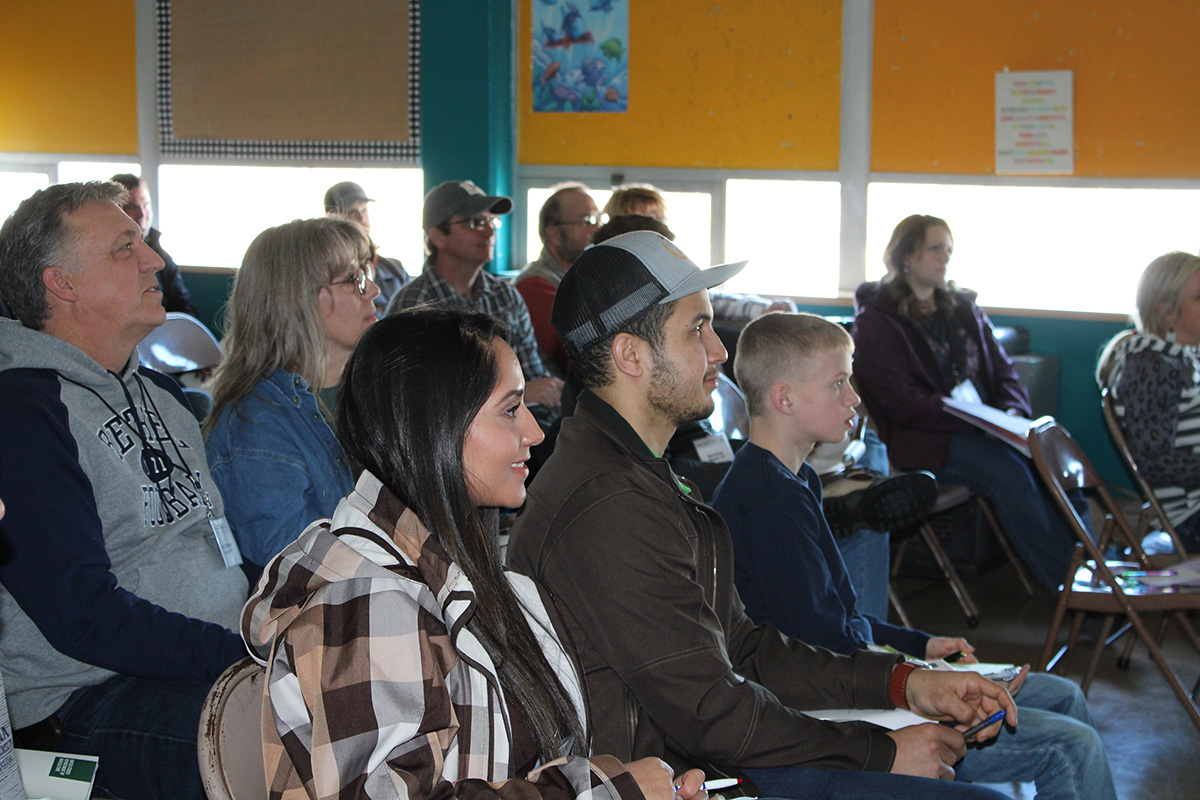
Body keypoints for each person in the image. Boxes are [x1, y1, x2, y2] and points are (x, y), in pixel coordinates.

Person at [508, 231, 1018, 800]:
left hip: (705, 757)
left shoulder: (639, 471)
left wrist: (904, 683)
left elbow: (743, 648)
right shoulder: (609, 503)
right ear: (632, 355)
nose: (719, 351)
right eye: (696, 329)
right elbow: (710, 711)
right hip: (676, 776)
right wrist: (882, 750)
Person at [242, 304, 705, 800]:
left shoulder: (476, 577)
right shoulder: (368, 602)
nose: (535, 431)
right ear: (433, 425)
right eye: (510, 409)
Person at [713, 312, 1117, 800]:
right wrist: (923, 680)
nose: (854, 398)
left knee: (1065, 695)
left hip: (854, 673)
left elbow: (842, 621)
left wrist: (920, 645)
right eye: (838, 383)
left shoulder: (796, 480)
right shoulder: (767, 499)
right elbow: (819, 645)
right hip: (832, 707)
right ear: (784, 398)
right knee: (1072, 746)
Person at [0, 181, 248, 800]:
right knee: (287, 739)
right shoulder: (23, 413)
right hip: (83, 700)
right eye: (124, 248)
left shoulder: (163, 396)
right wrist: (245, 653)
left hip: (200, 663)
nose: (155, 261)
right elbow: (81, 615)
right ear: (63, 283)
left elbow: (216, 544)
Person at [852, 214, 1084, 593]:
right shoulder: (877, 319)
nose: (945, 258)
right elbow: (899, 401)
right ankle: (1068, 588)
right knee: (1010, 473)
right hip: (923, 440)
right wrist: (975, 423)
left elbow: (1004, 372)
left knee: (1057, 452)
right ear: (906, 254)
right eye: (935, 248)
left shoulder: (962, 308)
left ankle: (1092, 570)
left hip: (985, 427)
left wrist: (1008, 413)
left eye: (949, 250)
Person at [204, 217, 378, 584]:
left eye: (366, 272)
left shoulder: (373, 391)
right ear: (299, 300)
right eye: (353, 279)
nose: (373, 289)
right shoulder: (257, 426)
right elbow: (295, 576)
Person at [389, 180, 564, 411]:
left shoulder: (505, 295)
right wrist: (518, 394)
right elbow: (416, 399)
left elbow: (532, 371)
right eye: (475, 223)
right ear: (438, 237)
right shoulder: (414, 305)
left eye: (490, 221)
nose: (490, 231)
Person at [1098, 251, 1200, 552]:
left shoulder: (1184, 356)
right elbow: (1155, 460)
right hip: (1189, 516)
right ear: (1168, 313)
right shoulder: (1151, 366)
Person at [516, 182, 601, 374]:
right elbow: (578, 357)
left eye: (598, 219)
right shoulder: (535, 286)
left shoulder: (579, 278)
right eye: (587, 220)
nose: (597, 229)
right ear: (553, 234)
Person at [110, 172, 198, 315]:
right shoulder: (104, 255)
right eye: (132, 206)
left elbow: (184, 309)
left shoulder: (160, 255)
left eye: (146, 205)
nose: (142, 214)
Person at [324, 180, 410, 313]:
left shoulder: (394, 270)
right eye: (352, 212)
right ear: (332, 217)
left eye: (364, 209)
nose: (361, 217)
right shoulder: (327, 272)